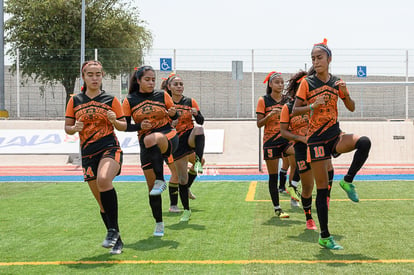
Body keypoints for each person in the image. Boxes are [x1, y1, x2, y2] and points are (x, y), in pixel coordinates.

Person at [293, 39, 371, 249]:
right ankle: (325, 236)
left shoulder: (337, 82)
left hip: (335, 135)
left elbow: (352, 107)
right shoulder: (306, 83)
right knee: (322, 189)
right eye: (313, 59)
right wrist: (311, 106)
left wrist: (345, 94)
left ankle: (347, 180)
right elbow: (294, 110)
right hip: (317, 140)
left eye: (319, 57)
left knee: (364, 142)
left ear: (329, 59)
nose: (316, 61)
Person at [64, 60, 126, 255]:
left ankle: (112, 230)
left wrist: (115, 120)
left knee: (104, 179)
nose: (94, 78)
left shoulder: (111, 100)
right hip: (88, 153)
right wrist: (74, 129)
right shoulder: (75, 100)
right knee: (102, 202)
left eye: (98, 74)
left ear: (102, 76)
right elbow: (68, 127)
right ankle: (117, 239)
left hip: (109, 147)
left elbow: (123, 125)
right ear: (83, 76)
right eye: (90, 74)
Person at [122, 65, 179, 237]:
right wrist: (139, 126)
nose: (151, 82)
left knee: (153, 137)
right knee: (151, 188)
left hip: (168, 136)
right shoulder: (129, 100)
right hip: (146, 146)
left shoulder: (162, 95)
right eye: (147, 79)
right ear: (138, 80)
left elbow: (175, 117)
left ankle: (161, 179)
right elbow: (125, 126)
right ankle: (159, 223)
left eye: (153, 79)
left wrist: (173, 113)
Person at [256, 71, 296, 218]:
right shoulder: (264, 100)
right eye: (277, 82)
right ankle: (277, 208)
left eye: (282, 82)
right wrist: (270, 115)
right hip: (270, 141)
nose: (280, 84)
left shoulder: (288, 99)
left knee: (300, 154)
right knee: (273, 176)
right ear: (270, 84)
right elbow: (259, 124)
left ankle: (293, 186)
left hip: (285, 138)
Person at [167, 74, 205, 222]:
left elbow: (201, 121)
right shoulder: (166, 103)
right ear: (169, 87)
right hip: (176, 141)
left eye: (181, 84)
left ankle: (197, 161)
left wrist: (197, 115)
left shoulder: (190, 101)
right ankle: (186, 210)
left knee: (199, 130)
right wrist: (171, 124)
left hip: (189, 136)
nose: (179, 86)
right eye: (176, 84)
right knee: (181, 178)